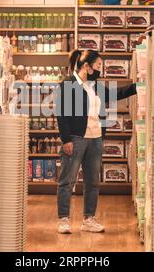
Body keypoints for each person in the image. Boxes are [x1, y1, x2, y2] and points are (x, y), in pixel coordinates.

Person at [55, 50, 137, 234]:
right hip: (76, 139)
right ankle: (63, 219)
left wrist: (137, 86)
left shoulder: (95, 86)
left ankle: (88, 219)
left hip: (95, 138)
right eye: (98, 66)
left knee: (92, 182)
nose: (100, 70)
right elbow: (62, 115)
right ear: (87, 66)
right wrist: (66, 139)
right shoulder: (68, 85)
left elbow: (115, 94)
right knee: (67, 180)